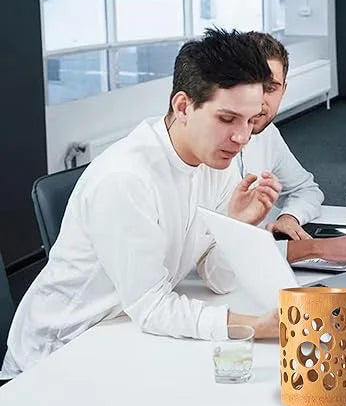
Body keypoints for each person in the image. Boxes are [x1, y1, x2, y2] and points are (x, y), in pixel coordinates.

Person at [1, 28, 283, 377]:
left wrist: (237, 226)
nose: (242, 137)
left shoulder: (215, 160)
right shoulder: (127, 178)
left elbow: (220, 281)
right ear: (183, 106)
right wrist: (256, 326)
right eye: (227, 119)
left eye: (250, 120)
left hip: (123, 330)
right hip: (57, 354)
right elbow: (152, 307)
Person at [242, 32, 346, 267]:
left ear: (284, 89)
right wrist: (308, 248)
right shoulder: (208, 147)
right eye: (251, 86)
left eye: (270, 88)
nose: (260, 101)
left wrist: (289, 217)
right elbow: (215, 254)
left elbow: (306, 189)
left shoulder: (267, 134)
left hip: (260, 265)